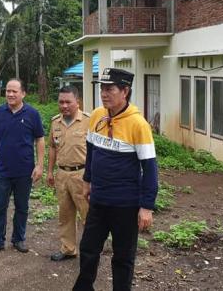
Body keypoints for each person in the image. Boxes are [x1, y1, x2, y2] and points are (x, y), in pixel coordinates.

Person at [73, 68, 158, 291]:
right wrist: (87, 181)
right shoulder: (97, 116)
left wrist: (147, 206)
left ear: (125, 91)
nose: (104, 93)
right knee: (88, 248)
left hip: (125, 204)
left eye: (109, 89)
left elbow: (149, 168)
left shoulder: (139, 125)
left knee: (123, 257)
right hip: (99, 199)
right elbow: (91, 152)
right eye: (102, 89)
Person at [0, 79, 45, 255]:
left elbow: (39, 139)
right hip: (3, 169)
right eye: (7, 91)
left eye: (14, 91)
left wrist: (40, 165)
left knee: (22, 206)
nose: (10, 94)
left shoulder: (32, 114)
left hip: (25, 170)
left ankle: (18, 239)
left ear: (23, 93)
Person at [46, 86, 90, 262]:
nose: (64, 106)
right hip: (62, 175)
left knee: (88, 215)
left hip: (83, 175)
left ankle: (90, 250)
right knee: (65, 215)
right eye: (61, 102)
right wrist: (49, 171)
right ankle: (68, 249)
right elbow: (52, 147)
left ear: (77, 102)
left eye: (68, 102)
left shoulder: (89, 121)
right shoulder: (55, 122)